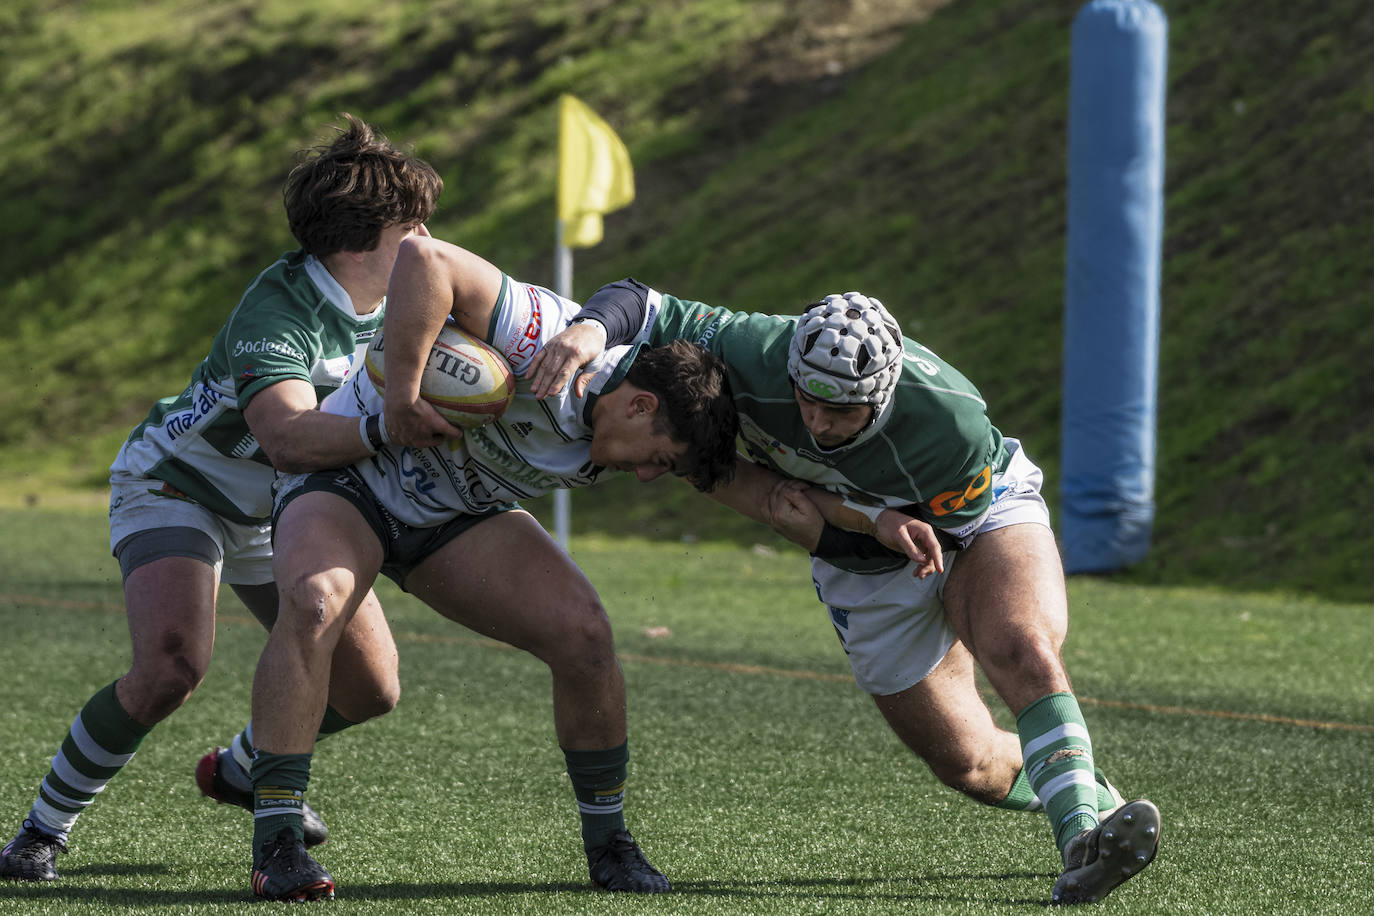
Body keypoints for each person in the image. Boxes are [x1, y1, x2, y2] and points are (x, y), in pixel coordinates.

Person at [526, 279, 1163, 906]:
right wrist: (589, 329)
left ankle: (1080, 839)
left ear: (882, 398)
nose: (819, 424)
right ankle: (1094, 799)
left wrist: (851, 526)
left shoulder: (949, 423)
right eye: (807, 401)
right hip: (854, 555)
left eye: (842, 412)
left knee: (1021, 646)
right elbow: (643, 301)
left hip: (968, 517)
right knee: (969, 766)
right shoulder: (761, 351)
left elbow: (941, 550)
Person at [0, 115, 441, 882]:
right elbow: (288, 437)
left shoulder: (413, 295)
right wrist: (394, 427)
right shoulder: (280, 311)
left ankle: (244, 766)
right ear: (365, 241)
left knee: (371, 688)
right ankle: (43, 829)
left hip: (286, 505)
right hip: (183, 483)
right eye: (417, 224)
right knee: (172, 665)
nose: (433, 240)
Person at [243, 237, 738, 901]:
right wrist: (401, 400)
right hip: (349, 478)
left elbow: (637, 301)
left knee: (586, 636)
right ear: (640, 405)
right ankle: (278, 842)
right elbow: (424, 259)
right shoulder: (544, 338)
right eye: (658, 458)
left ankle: (610, 844)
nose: (649, 476)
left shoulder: (627, 422)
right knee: (316, 603)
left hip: (457, 517)